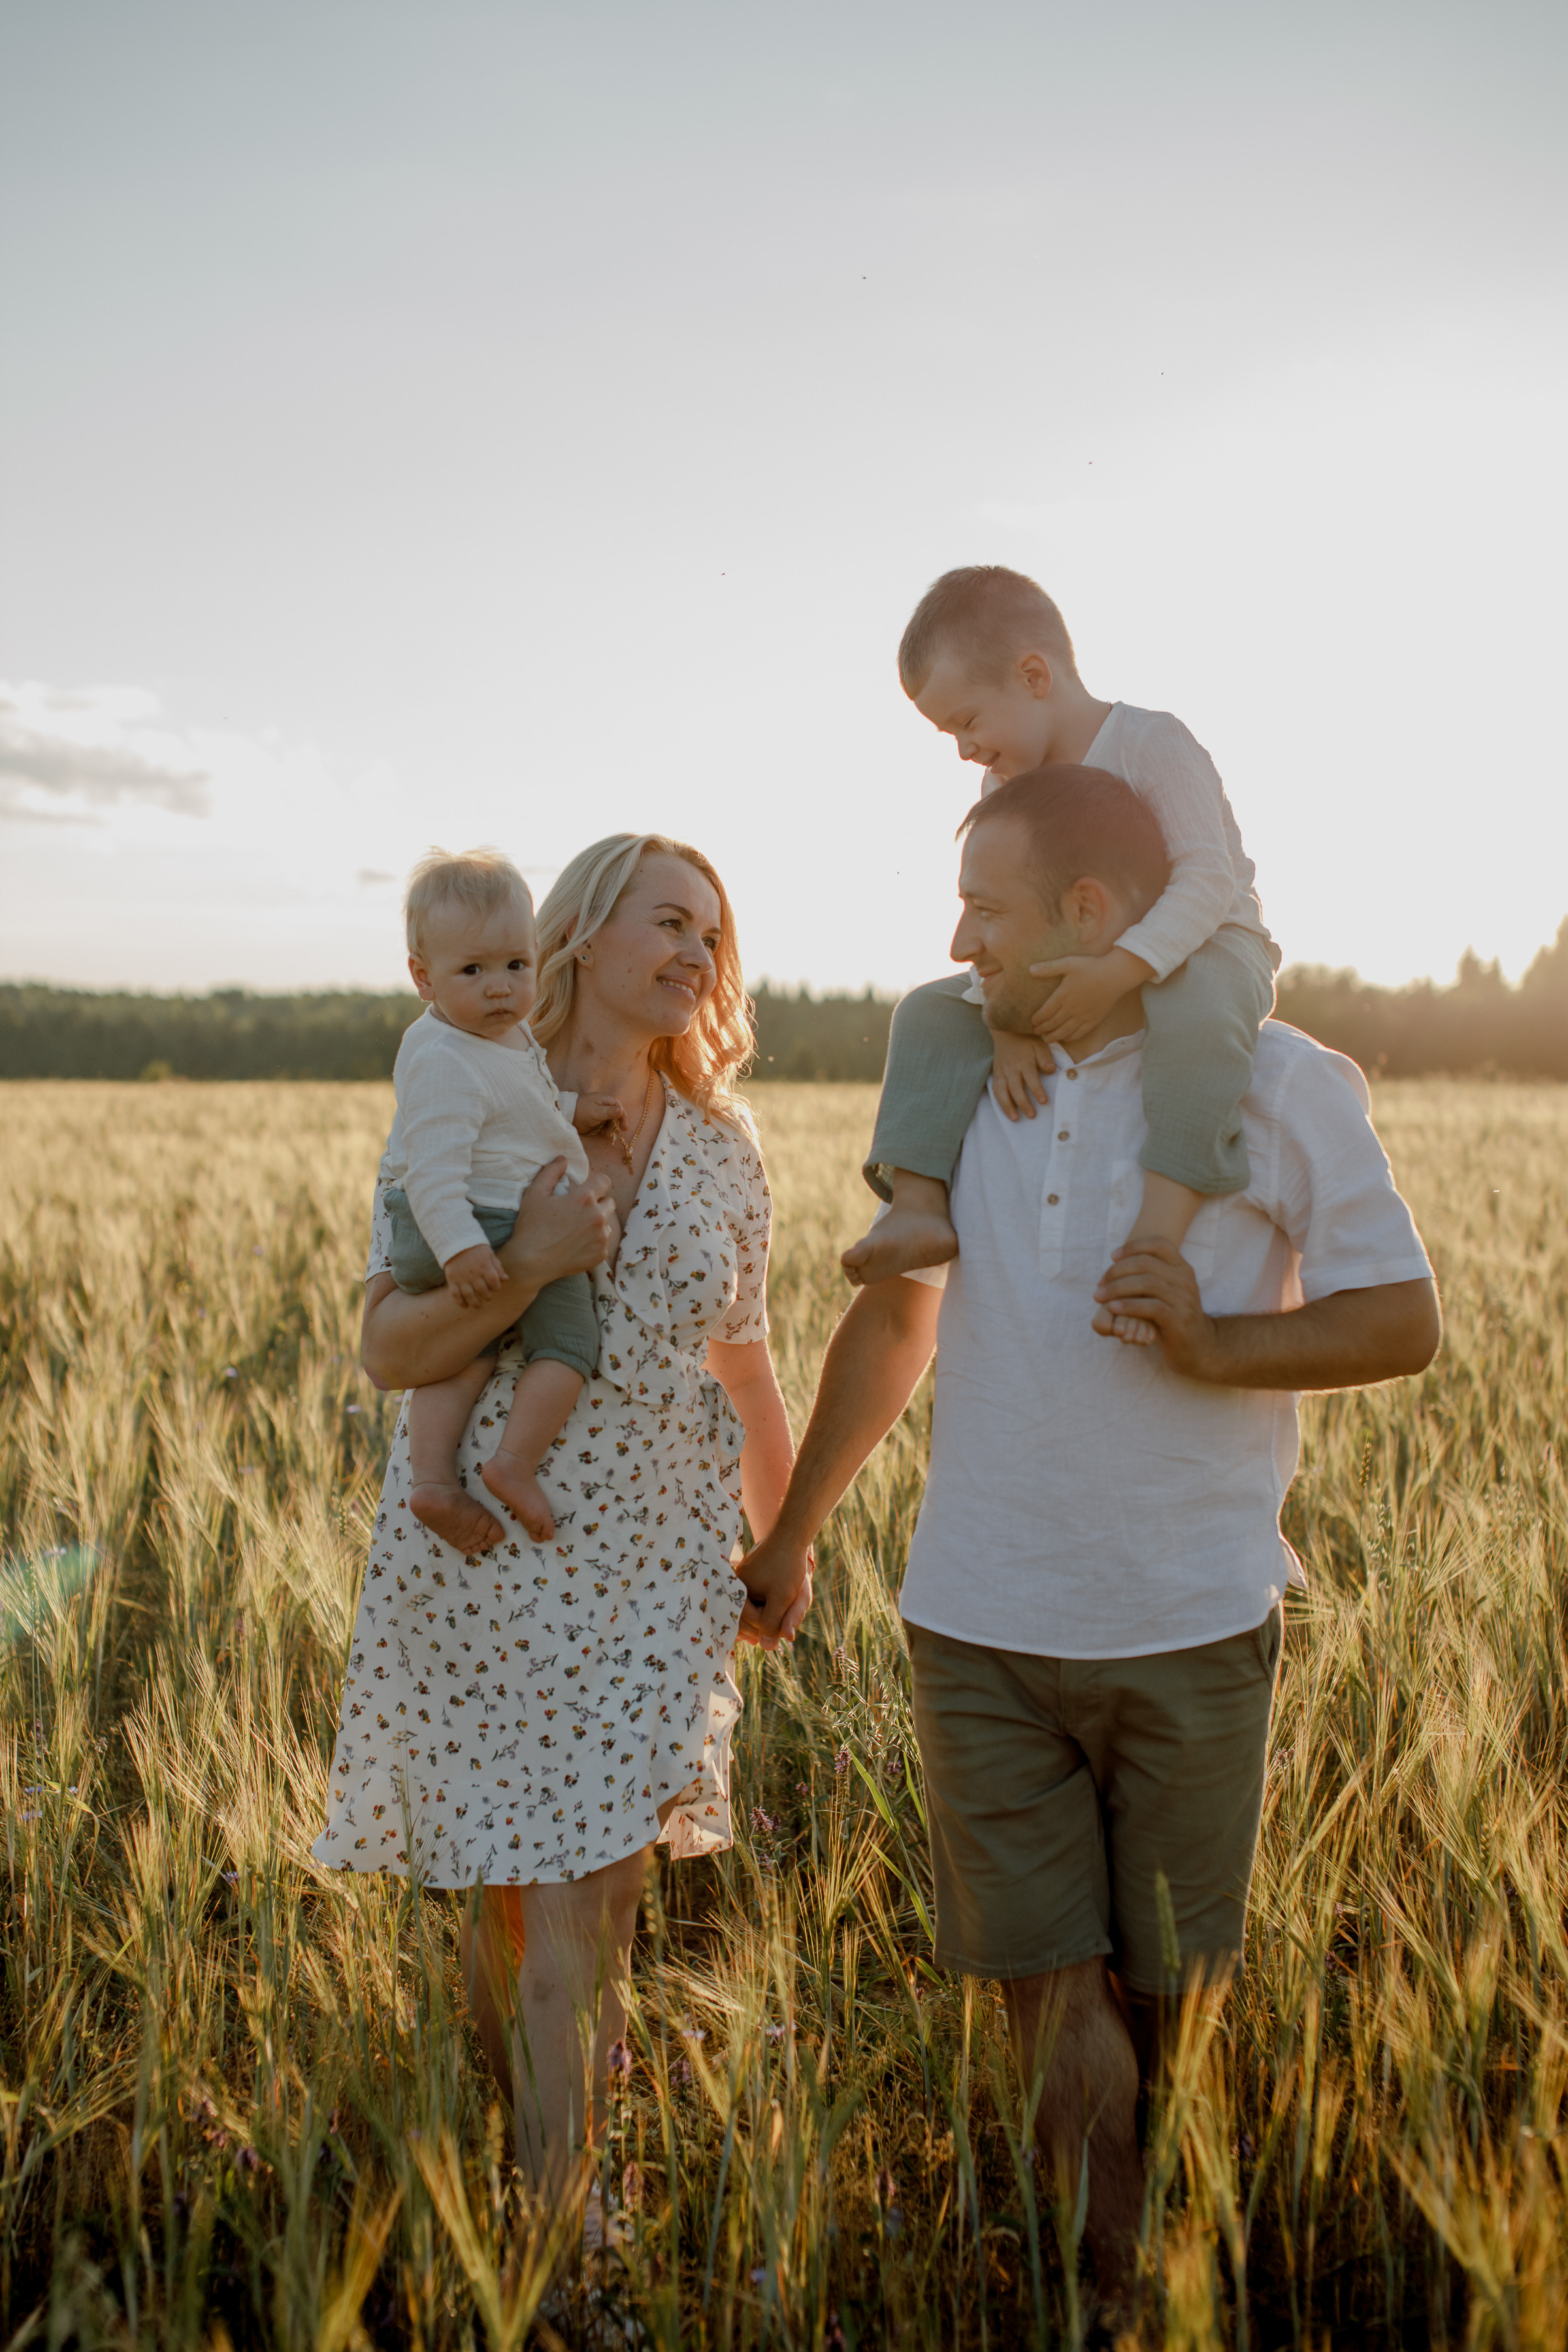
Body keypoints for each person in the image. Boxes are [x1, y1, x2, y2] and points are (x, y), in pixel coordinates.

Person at [741, 766, 1440, 2309]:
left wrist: (1216, 1345)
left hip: (1188, 1621)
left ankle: (1170, 2275)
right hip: (974, 1621)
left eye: (982, 909)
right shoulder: (965, 1073)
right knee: (1044, 1994)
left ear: (1085, 909)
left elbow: (1402, 1319)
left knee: (1171, 2003)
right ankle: (1112, 2300)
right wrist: (793, 1528)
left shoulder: (1274, 1082)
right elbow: (897, 1319)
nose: (957, 942)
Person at [314, 831, 808, 2227]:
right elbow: (388, 1348)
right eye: (671, 922)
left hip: (657, 1569)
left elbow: (748, 1368)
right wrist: (526, 1264)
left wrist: (783, 1541)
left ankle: (564, 2234)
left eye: (714, 934)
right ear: (582, 935)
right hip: (486, 1550)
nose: (699, 953)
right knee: (509, 1905)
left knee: (591, 1911)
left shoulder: (724, 1146)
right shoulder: (472, 1100)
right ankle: (542, 2181)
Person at [842, 565, 1281, 1348]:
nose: (965, 750)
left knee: (1199, 1015)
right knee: (928, 1013)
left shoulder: (1152, 742)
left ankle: (1157, 1233)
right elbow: (1001, 917)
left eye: (968, 722)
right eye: (949, 736)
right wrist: (1006, 1025)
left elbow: (1207, 879)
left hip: (1210, 942)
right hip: (1072, 957)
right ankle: (916, 1206)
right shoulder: (1002, 786)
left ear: (1034, 676)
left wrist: (1123, 969)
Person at [383, 844, 627, 1552]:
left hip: (464, 1225)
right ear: (423, 978)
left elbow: (517, 1106)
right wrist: (462, 1250)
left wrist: (572, 1110)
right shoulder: (442, 1059)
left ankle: (432, 1480)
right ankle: (513, 1463)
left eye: (516, 965)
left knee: (461, 1355)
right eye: (473, 971)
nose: (500, 988)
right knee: (571, 1342)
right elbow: (432, 1170)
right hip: (472, 1224)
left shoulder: (495, 1036)